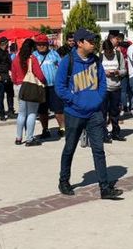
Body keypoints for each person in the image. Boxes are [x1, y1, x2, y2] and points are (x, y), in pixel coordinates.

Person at [55, 29, 122, 200]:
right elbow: (60, 87)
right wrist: (75, 100)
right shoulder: (67, 61)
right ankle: (64, 181)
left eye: (94, 41)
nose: (93, 44)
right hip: (74, 113)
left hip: (95, 113)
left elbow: (102, 83)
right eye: (90, 41)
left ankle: (104, 187)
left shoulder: (96, 61)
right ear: (80, 43)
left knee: (99, 150)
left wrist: (98, 99)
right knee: (70, 148)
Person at [10, 38, 47, 146]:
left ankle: (18, 138)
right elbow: (40, 75)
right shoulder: (32, 59)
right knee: (32, 113)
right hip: (30, 87)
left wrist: (17, 82)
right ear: (31, 48)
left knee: (21, 113)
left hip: (19, 87)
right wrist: (44, 82)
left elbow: (13, 76)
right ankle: (29, 138)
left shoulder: (16, 58)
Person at [34, 33, 65, 138]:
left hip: (54, 87)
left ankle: (62, 128)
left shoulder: (54, 54)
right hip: (40, 87)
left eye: (43, 44)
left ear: (47, 44)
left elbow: (61, 67)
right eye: (39, 44)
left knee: (58, 110)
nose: (41, 46)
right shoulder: (33, 56)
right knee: (42, 111)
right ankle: (45, 130)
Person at [101, 38, 126, 142]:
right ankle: (103, 134)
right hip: (104, 89)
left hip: (116, 88)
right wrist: (104, 73)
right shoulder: (100, 56)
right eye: (107, 52)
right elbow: (95, 71)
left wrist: (117, 72)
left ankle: (116, 133)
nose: (109, 54)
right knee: (103, 112)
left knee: (115, 112)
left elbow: (124, 70)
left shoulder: (119, 55)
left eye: (110, 51)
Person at [0, 37, 15, 121]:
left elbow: (9, 64)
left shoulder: (6, 52)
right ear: (3, 43)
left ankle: (10, 111)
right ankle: (2, 113)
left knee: (10, 94)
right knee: (1, 95)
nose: (8, 45)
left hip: (7, 75)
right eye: (7, 43)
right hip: (0, 76)